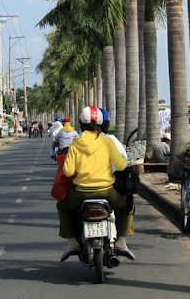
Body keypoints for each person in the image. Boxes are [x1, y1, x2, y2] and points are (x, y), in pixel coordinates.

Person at [56, 106, 134, 261]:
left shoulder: (76, 143)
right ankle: (121, 242)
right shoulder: (107, 142)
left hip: (81, 192)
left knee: (62, 206)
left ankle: (72, 243)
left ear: (81, 123)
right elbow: (120, 165)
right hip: (107, 191)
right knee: (126, 204)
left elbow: (69, 171)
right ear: (101, 123)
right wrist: (128, 162)